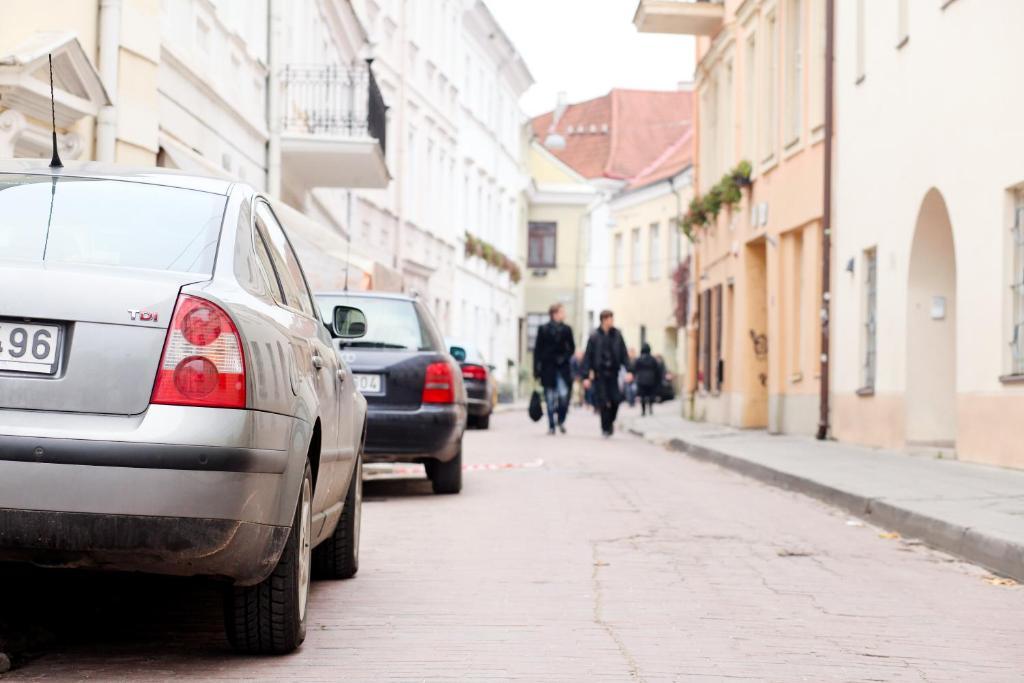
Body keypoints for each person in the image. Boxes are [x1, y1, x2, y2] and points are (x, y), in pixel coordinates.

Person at [582, 310, 632, 437]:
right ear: (604, 320)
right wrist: (586, 376)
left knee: (616, 399)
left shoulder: (617, 334)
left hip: (613, 373)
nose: (612, 321)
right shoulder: (594, 336)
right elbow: (588, 357)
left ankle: (610, 421)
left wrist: (629, 370)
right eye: (610, 319)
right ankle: (605, 428)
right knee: (603, 401)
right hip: (600, 374)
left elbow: (624, 354)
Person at [533, 302, 575, 434]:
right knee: (550, 398)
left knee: (563, 396)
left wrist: (564, 357)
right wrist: (536, 369)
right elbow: (537, 351)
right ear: (555, 314)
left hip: (562, 369)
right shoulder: (543, 329)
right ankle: (551, 426)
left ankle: (560, 420)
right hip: (548, 368)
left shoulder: (567, 329)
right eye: (562, 312)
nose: (564, 314)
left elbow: (572, 347)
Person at [633, 343, 664, 417]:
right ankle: (650, 409)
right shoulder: (653, 359)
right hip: (651, 380)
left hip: (641, 380)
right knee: (651, 395)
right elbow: (657, 370)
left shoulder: (639, 359)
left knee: (642, 396)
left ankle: (643, 411)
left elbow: (635, 369)